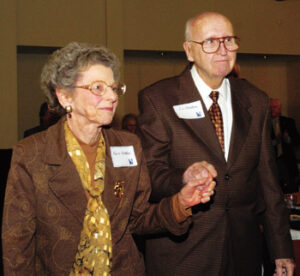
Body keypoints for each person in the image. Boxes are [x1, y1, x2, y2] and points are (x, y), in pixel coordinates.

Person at [1, 42, 216, 276]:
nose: (112, 97)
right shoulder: (32, 153)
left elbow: (138, 218)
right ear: (64, 96)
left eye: (114, 88)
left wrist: (180, 203)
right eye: (97, 88)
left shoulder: (128, 146)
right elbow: (16, 242)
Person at [138, 12, 295, 276]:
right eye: (210, 42)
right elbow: (149, 175)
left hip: (243, 252)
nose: (223, 50)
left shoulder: (255, 101)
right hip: (184, 253)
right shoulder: (159, 99)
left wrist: (281, 250)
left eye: (229, 40)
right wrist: (184, 177)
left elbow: (268, 182)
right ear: (189, 51)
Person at [270, 98, 300, 193]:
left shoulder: (288, 122)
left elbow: (297, 141)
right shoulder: (264, 123)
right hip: (272, 161)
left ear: (279, 108)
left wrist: (287, 139)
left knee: (291, 187)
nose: (272, 110)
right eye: (270, 108)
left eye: (274, 107)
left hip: (287, 160)